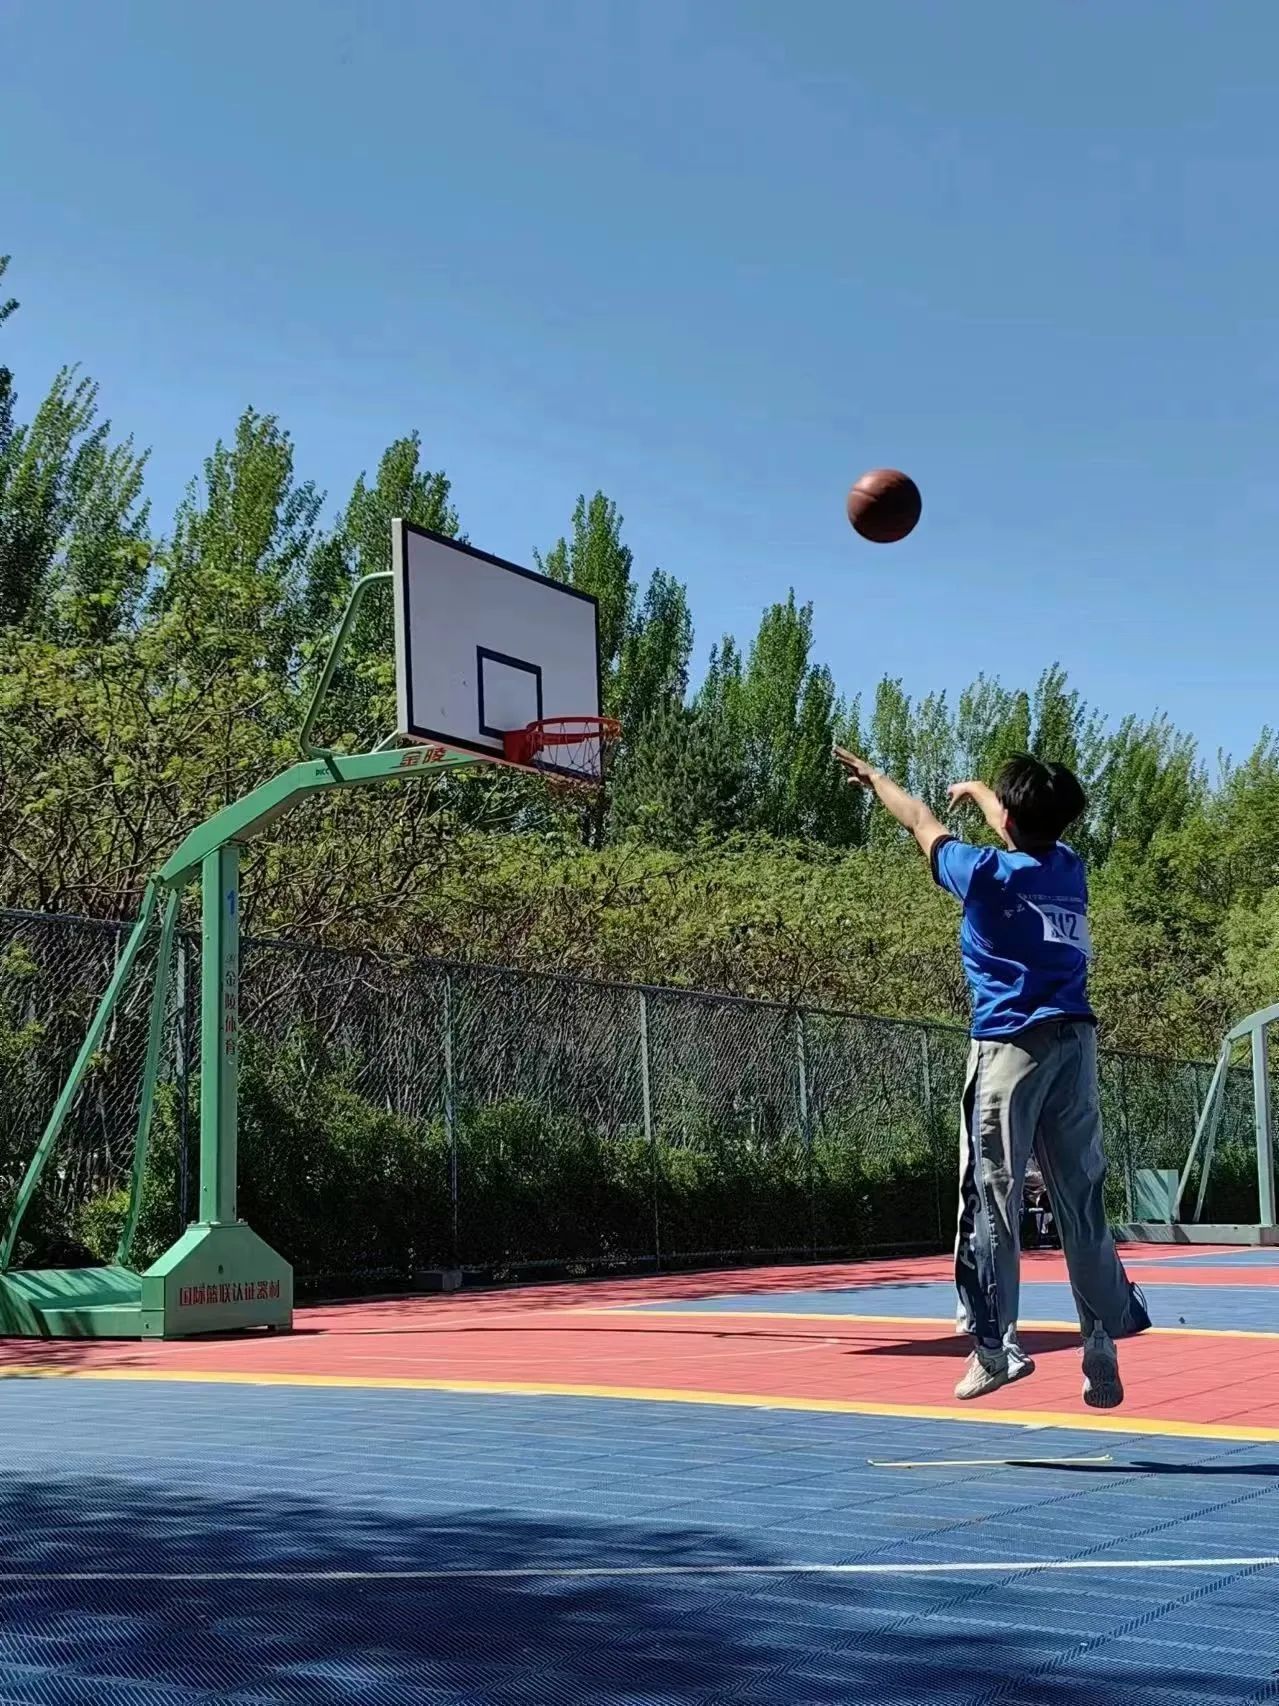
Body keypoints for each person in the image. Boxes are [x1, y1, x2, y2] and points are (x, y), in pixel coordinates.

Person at [834, 748, 1150, 1408]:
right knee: (1079, 1200)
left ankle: (994, 1346)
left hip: (1009, 1046)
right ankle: (1101, 1338)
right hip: (1075, 1043)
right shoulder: (1068, 868)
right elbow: (1017, 826)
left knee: (990, 1197)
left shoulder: (982, 875)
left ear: (1006, 819)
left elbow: (918, 820)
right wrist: (982, 790)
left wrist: (877, 779)